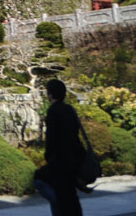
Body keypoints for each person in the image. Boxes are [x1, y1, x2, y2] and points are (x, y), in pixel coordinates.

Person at [33, 79, 85, 216]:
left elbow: (52, 137)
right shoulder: (70, 109)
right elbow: (76, 134)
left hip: (59, 159)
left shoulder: (53, 111)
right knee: (70, 195)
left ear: (50, 94)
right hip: (73, 157)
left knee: (40, 180)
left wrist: (48, 156)